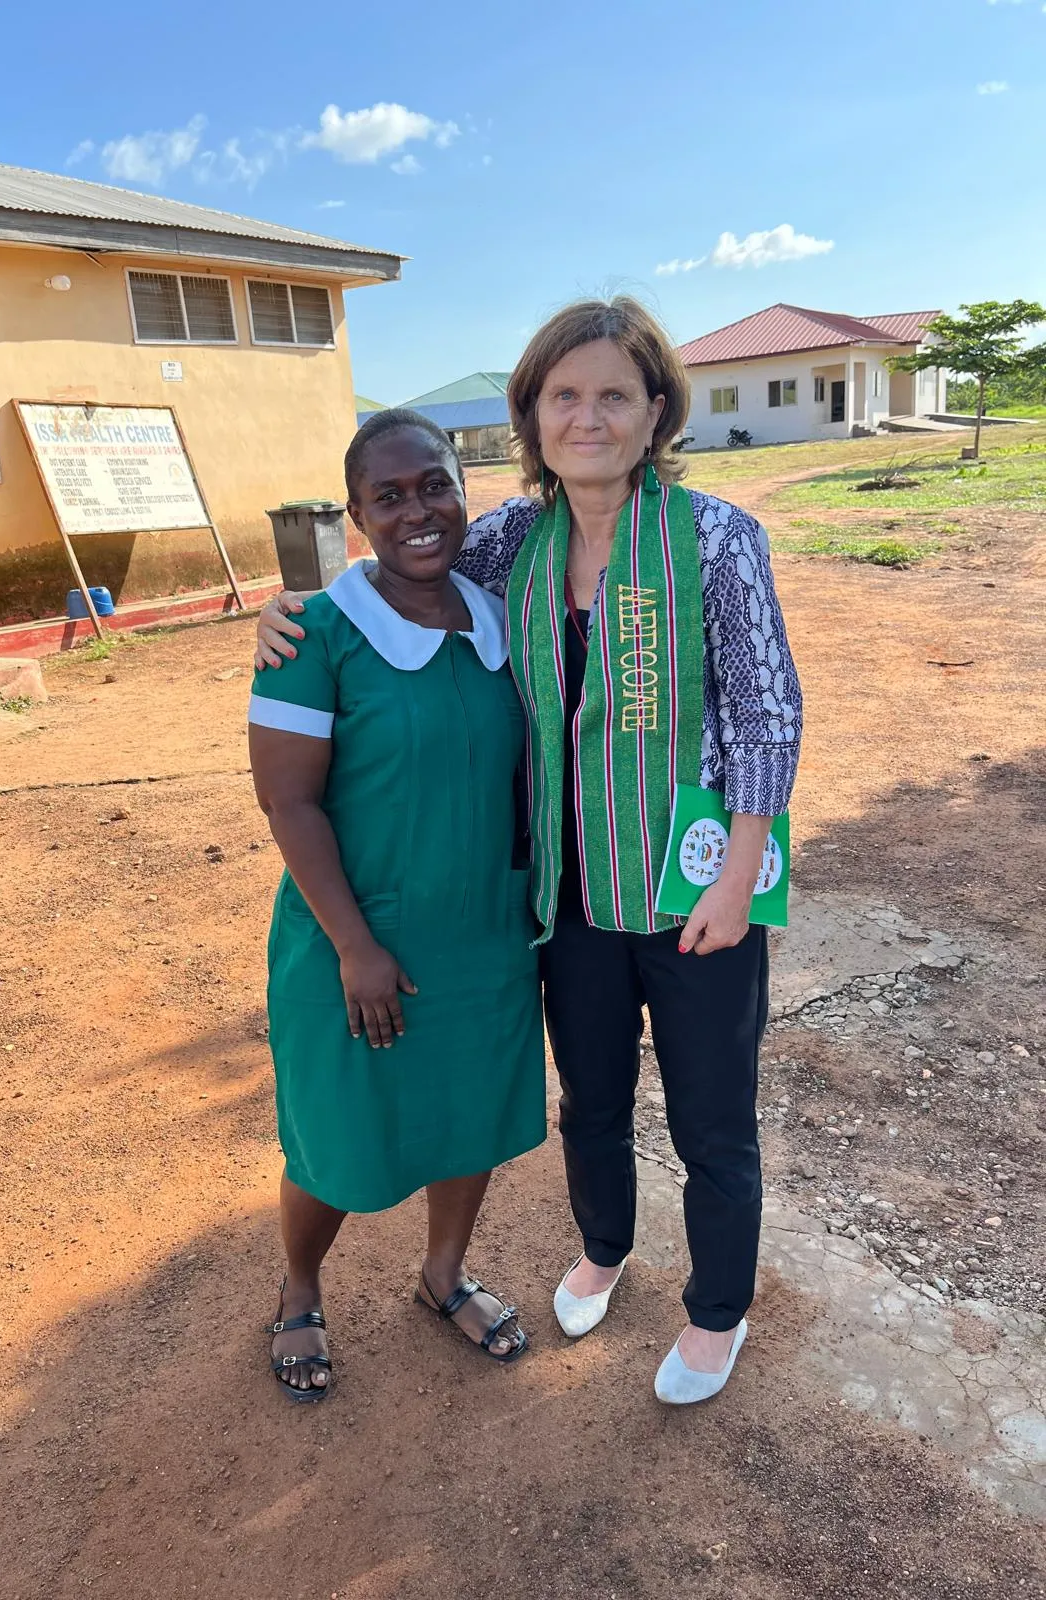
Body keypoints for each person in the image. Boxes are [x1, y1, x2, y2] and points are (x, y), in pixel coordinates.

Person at [256, 298, 802, 1405]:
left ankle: (714, 1311)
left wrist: (741, 875)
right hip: (568, 893)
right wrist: (286, 612)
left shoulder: (716, 539)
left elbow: (767, 714)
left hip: (697, 884)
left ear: (656, 413)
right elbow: (391, 578)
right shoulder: (512, 541)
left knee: (710, 1117)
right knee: (590, 1101)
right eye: (565, 396)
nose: (587, 416)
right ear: (532, 416)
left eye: (613, 395)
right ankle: (602, 1247)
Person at [249, 409, 546, 1402]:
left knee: (471, 1118)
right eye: (391, 495)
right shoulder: (316, 633)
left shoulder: (501, 611)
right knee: (335, 1137)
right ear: (358, 513)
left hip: (482, 933)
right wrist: (353, 944)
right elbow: (287, 799)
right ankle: (299, 1286)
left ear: (465, 486)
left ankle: (442, 1274)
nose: (418, 510)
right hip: (354, 939)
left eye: (434, 484)